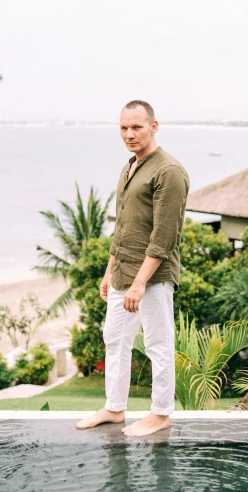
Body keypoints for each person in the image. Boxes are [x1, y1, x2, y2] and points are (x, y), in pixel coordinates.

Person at [76, 100, 189, 437]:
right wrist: (110, 271)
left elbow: (163, 237)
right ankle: (114, 408)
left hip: (152, 279)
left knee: (157, 343)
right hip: (123, 274)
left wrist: (140, 283)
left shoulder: (168, 171)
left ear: (153, 127)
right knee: (114, 339)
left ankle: (161, 413)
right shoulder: (129, 168)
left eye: (137, 127)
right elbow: (123, 226)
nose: (129, 134)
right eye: (124, 127)